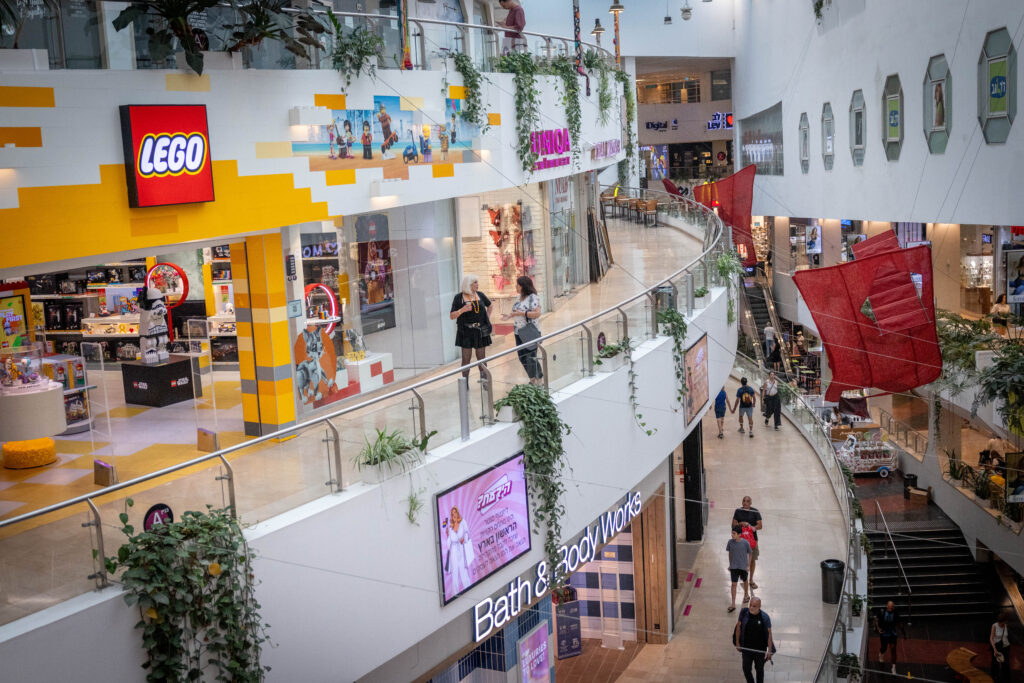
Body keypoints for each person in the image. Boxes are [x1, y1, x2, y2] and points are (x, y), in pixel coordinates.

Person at [450, 274, 493, 378]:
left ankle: (485, 382)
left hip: (480, 330)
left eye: (477, 282)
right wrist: (462, 310)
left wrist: (486, 318)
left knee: (482, 358)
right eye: (475, 282)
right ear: (468, 284)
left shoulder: (480, 295)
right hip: (465, 331)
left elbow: (490, 305)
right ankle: (464, 383)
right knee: (466, 359)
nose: (477, 284)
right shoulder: (459, 297)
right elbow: (452, 316)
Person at [502, 275, 543, 385]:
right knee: (522, 357)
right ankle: (532, 378)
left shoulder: (532, 297)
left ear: (523, 286)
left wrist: (521, 313)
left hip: (529, 331)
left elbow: (537, 313)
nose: (516, 286)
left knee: (531, 357)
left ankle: (538, 379)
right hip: (518, 332)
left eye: (518, 285)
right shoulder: (518, 297)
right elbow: (516, 311)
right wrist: (509, 316)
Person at [733, 597, 774, 683]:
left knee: (759, 670)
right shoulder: (744, 613)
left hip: (759, 651)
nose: (751, 607)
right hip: (746, 649)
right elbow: (738, 627)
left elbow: (769, 634)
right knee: (746, 669)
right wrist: (737, 642)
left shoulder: (765, 617)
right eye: (750, 605)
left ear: (759, 606)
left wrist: (769, 650)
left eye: (754, 606)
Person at [733, 496, 763, 589]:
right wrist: (741, 523)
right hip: (740, 540)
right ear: (742, 502)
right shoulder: (738, 511)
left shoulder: (755, 511)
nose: (745, 503)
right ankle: (743, 579)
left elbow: (760, 525)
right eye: (744, 501)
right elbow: (733, 525)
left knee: (752, 559)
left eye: (747, 501)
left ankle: (751, 580)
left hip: (752, 540)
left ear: (751, 503)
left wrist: (751, 526)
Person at [443, 506, 474, 593]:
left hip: (461, 548)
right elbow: (449, 544)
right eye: (452, 514)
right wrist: (448, 535)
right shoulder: (450, 527)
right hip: (453, 552)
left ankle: (469, 590)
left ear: (457, 512)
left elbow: (467, 533)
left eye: (455, 512)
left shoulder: (463, 522)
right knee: (455, 574)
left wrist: (464, 538)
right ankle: (455, 594)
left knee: (463, 572)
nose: (454, 515)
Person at [874, 600, 906, 675]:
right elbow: (876, 619)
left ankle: (893, 668)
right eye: (889, 608)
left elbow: (899, 624)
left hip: (892, 634)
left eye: (891, 608)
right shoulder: (882, 612)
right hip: (884, 633)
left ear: (893, 607)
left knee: (893, 649)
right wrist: (878, 628)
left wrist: (904, 633)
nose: (890, 610)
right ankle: (881, 653)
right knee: (884, 648)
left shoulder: (895, 614)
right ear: (886, 606)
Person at [726, 525, 752, 612]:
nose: (732, 535)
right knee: (734, 584)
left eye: (734, 533)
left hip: (743, 567)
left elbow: (750, 553)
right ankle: (733, 603)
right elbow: (730, 553)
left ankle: (746, 594)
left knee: (745, 581)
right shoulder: (730, 542)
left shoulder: (745, 543)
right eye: (732, 533)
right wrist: (730, 564)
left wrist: (748, 565)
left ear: (740, 534)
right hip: (734, 567)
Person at [991, 612, 1011, 681]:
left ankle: (1005, 678)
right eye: (1005, 621)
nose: (1006, 622)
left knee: (1006, 664)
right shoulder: (994, 626)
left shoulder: (1005, 625)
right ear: (1002, 620)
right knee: (995, 664)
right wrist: (994, 649)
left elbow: (1006, 636)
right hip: (997, 647)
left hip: (1006, 646)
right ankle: (995, 677)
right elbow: (991, 638)